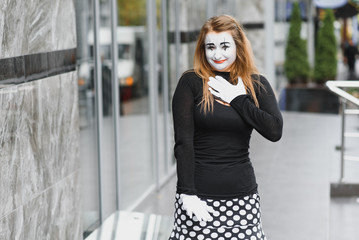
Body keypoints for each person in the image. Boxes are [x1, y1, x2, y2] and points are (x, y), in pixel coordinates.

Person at [169, 15, 283, 240]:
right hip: (198, 197)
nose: (217, 54)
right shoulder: (190, 82)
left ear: (238, 46)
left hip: (242, 198)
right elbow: (183, 143)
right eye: (210, 47)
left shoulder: (255, 84)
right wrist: (186, 192)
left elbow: (274, 131)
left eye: (224, 46)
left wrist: (238, 99)